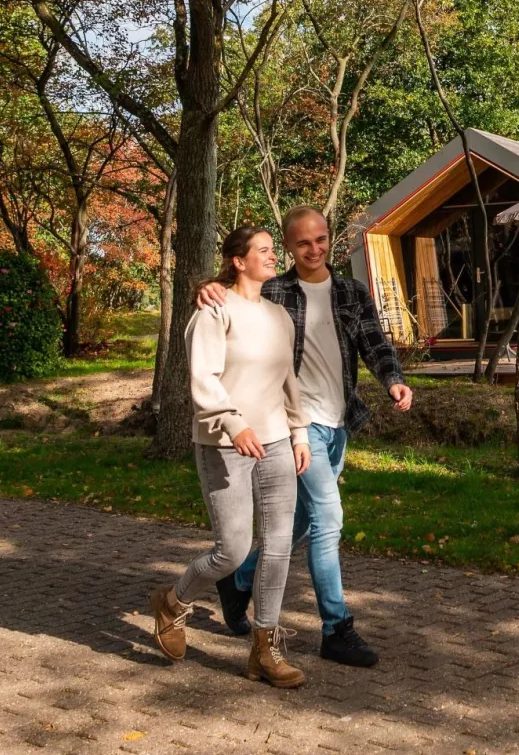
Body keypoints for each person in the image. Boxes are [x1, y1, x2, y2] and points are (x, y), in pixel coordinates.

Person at [196, 205, 412, 668]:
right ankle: (336, 628)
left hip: (338, 422)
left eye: (320, 239)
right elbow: (234, 291)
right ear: (289, 247)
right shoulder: (274, 290)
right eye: (301, 243)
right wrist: (206, 286)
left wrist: (392, 378)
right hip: (296, 424)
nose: (313, 249)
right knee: (329, 519)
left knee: (301, 522)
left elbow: (374, 341)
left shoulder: (352, 291)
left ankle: (239, 582)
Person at [151, 225, 312, 689]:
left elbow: (288, 380)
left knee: (280, 544)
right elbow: (202, 375)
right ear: (238, 261)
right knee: (233, 550)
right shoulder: (214, 309)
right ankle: (174, 602)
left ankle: (265, 648)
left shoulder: (280, 316)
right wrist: (233, 422)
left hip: (277, 440)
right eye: (262, 250)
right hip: (225, 442)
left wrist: (298, 432)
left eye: (271, 250)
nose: (272, 256)